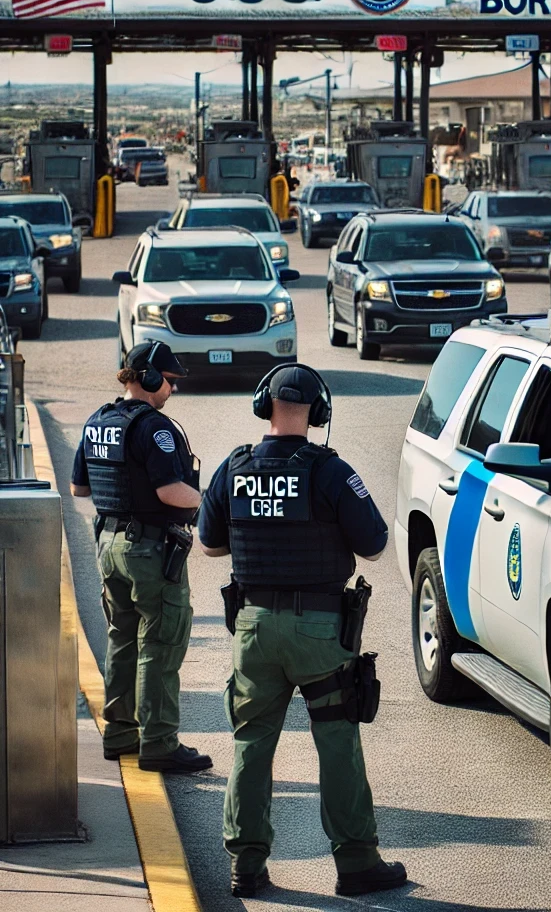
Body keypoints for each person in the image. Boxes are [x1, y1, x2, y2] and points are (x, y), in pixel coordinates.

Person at [198, 365, 406, 900]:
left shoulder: (234, 466)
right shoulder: (330, 472)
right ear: (319, 413)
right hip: (319, 632)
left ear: (262, 404)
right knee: (337, 742)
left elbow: (210, 545)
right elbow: (377, 546)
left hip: (254, 628)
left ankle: (246, 867)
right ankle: (356, 864)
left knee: (251, 740)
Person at [71, 342, 211, 773]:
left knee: (122, 637)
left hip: (109, 544)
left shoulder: (99, 421)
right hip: (148, 549)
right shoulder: (156, 429)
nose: (172, 389)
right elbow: (170, 490)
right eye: (169, 381)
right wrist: (211, 506)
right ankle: (159, 743)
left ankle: (118, 735)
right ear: (148, 377)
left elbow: (80, 488)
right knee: (161, 644)